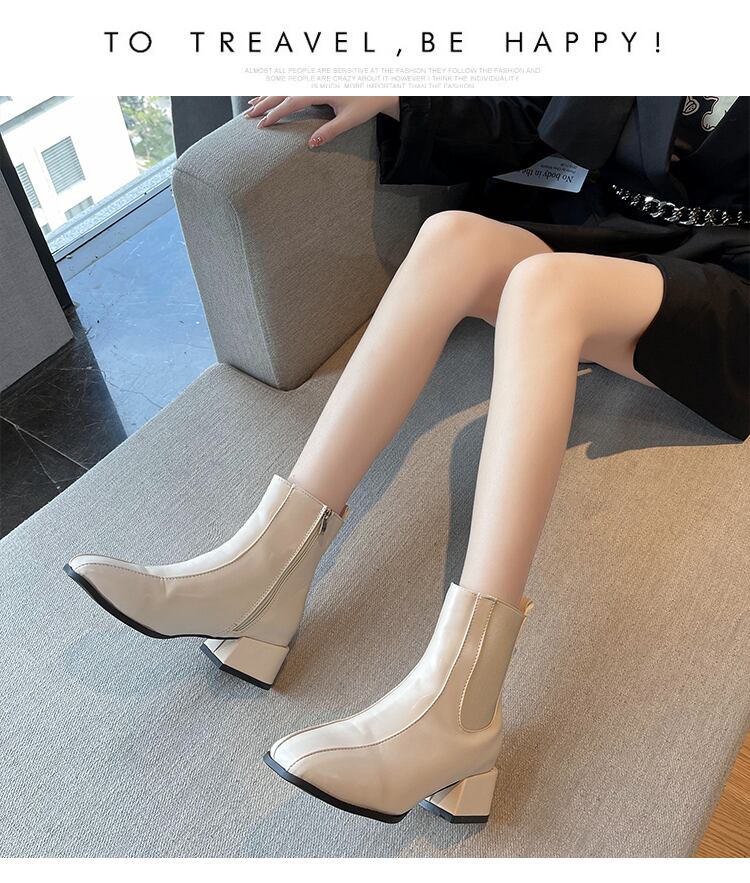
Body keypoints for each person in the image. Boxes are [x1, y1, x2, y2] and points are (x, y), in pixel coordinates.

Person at [65, 96, 749, 824]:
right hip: (619, 232)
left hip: (734, 286)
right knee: (453, 236)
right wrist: (401, 96)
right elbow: (539, 114)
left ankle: (460, 707)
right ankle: (263, 574)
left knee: (546, 287)